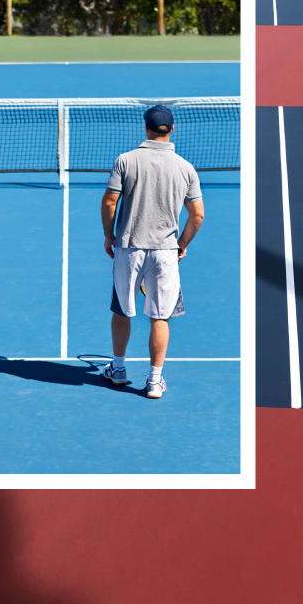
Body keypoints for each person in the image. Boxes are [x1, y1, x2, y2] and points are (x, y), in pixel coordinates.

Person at [100, 104, 205, 398]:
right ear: (171, 130)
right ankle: (155, 381)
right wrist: (181, 245)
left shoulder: (126, 160)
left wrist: (109, 236)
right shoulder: (186, 168)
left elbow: (110, 202)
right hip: (165, 254)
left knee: (122, 310)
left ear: (145, 128)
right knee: (160, 317)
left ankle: (118, 369)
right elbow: (197, 215)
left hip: (129, 249)